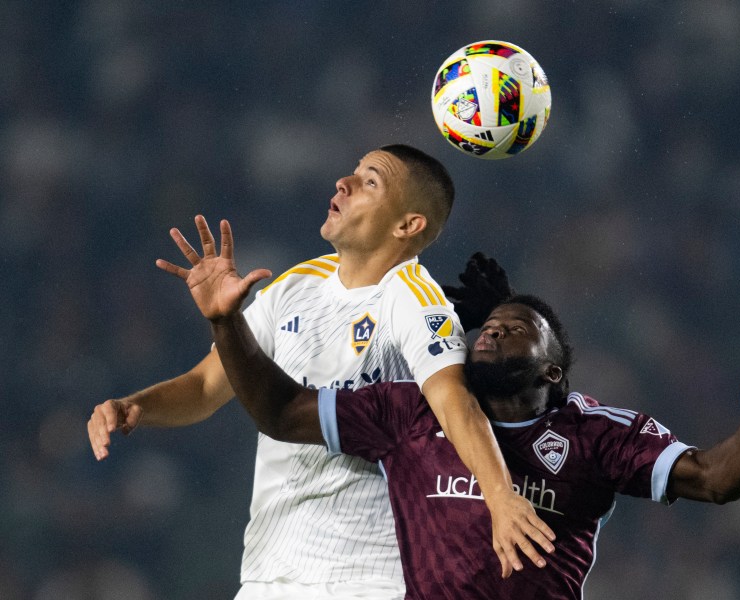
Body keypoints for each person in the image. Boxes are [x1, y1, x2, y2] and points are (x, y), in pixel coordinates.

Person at [162, 219, 740, 599]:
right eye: (490, 322)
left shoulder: (594, 434)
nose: (496, 327)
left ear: (554, 369)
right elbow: (281, 412)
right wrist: (228, 324)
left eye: (519, 324)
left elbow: (714, 479)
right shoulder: (414, 414)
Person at [87, 144, 554, 600]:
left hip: (369, 576)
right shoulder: (296, 284)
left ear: (408, 224)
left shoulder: (414, 299)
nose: (344, 183)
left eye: (370, 181)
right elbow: (207, 385)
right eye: (353, 171)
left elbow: (456, 404)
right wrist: (135, 406)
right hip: (270, 573)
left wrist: (501, 498)